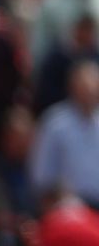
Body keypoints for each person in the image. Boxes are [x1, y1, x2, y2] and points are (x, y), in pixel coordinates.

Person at [31, 61, 99, 206]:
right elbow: (42, 175)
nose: (90, 92)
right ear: (73, 87)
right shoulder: (55, 123)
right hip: (68, 208)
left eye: (94, 86)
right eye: (85, 87)